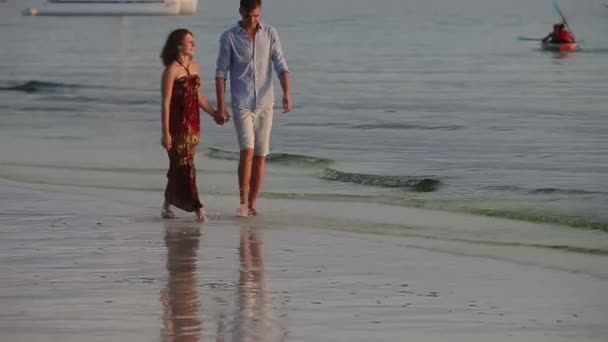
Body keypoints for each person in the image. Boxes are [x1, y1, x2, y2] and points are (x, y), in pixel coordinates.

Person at [215, 0, 292, 217]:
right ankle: (243, 203)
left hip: (266, 103)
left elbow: (281, 65)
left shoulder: (270, 33)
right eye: (249, 16)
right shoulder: (229, 37)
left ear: (260, 12)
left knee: (261, 154)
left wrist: (287, 93)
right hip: (241, 103)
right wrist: (221, 106)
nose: (252, 20)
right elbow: (221, 73)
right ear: (241, 12)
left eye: (256, 16)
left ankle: (252, 203)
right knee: (247, 151)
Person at [160, 28, 228, 222]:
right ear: (179, 46)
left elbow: (199, 97)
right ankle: (198, 209)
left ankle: (166, 206)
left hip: (193, 125)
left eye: (193, 41)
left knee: (179, 167)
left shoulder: (196, 67)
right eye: (189, 41)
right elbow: (165, 103)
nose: (193, 44)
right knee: (187, 166)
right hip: (176, 127)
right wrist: (165, 133)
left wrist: (215, 113)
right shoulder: (171, 71)